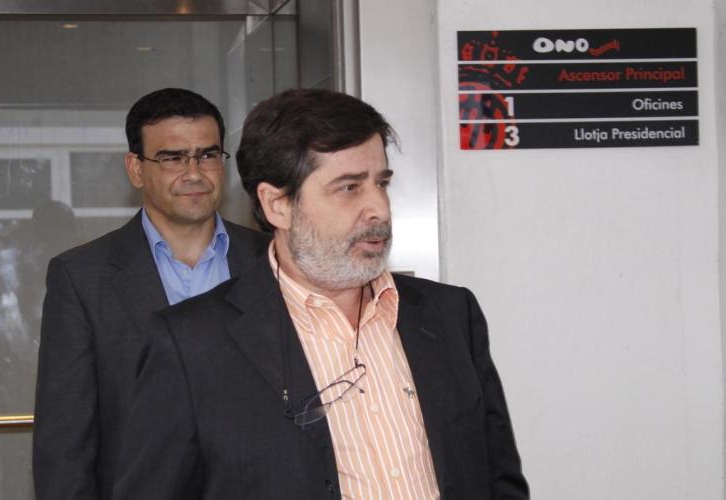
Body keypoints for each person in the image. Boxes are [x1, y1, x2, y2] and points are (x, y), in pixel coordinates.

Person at [113, 88, 529, 499]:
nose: (379, 209)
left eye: (381, 184)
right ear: (277, 205)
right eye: (349, 188)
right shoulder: (191, 345)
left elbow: (499, 481)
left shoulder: (450, 315)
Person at [32, 88, 269, 500]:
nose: (194, 173)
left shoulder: (273, 261)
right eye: (173, 157)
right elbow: (64, 448)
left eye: (208, 155)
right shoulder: (82, 278)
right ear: (136, 169)